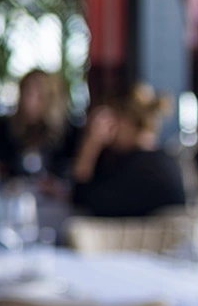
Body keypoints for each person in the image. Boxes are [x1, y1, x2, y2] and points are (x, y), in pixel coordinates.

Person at [70, 83, 187, 218]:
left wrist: (90, 145)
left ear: (125, 120)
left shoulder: (141, 168)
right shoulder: (161, 160)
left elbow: (82, 203)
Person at [0, 69, 78, 182]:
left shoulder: (67, 134)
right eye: (26, 93)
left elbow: (72, 174)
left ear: (50, 99)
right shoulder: (5, 129)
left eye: (38, 96)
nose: (29, 101)